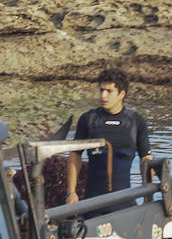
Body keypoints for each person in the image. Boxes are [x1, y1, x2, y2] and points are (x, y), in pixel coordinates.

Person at [65, 68, 153, 205]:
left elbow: (146, 160)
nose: (103, 96)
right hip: (92, 202)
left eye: (109, 91)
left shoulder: (136, 121)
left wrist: (147, 196)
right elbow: (75, 155)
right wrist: (71, 192)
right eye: (101, 90)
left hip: (124, 203)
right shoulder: (88, 119)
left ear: (121, 94)